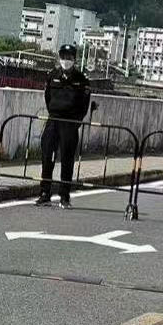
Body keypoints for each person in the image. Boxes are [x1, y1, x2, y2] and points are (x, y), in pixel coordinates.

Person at [35, 45, 91, 209]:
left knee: (67, 159)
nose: (66, 60)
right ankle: (45, 193)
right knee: (47, 156)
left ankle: (64, 196)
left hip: (70, 123)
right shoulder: (52, 76)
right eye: (63, 57)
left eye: (69, 57)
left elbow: (84, 105)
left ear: (74, 59)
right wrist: (54, 113)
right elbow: (48, 98)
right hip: (53, 120)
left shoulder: (81, 79)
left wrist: (75, 123)